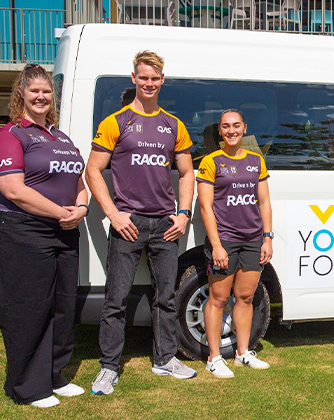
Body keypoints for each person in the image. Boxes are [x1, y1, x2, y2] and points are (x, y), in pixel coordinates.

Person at [86, 50, 197, 395]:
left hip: (164, 224)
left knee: (165, 297)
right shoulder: (115, 122)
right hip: (128, 222)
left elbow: (187, 172)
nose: (149, 83)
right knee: (115, 299)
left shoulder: (173, 125)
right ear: (133, 78)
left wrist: (183, 213)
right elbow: (92, 170)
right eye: (143, 77)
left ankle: (165, 359)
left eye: (155, 78)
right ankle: (108, 368)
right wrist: (113, 214)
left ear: (162, 80)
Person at [0, 63, 88, 408]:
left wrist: (82, 208)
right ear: (22, 94)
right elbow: (13, 190)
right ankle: (27, 387)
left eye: (46, 91)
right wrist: (61, 212)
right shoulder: (11, 135)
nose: (42, 96)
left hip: (64, 231)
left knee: (62, 307)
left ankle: (54, 375)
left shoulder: (60, 137)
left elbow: (79, 182)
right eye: (35, 91)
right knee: (29, 309)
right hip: (21, 231)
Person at [196, 109, 273, 378]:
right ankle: (214, 357)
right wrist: (216, 245)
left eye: (236, 126)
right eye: (226, 126)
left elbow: (264, 201)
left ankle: (242, 354)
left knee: (246, 297)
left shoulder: (256, 160)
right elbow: (205, 207)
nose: (231, 131)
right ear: (220, 130)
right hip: (225, 239)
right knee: (217, 299)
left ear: (244, 128)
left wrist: (267, 237)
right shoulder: (211, 161)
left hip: (252, 239)